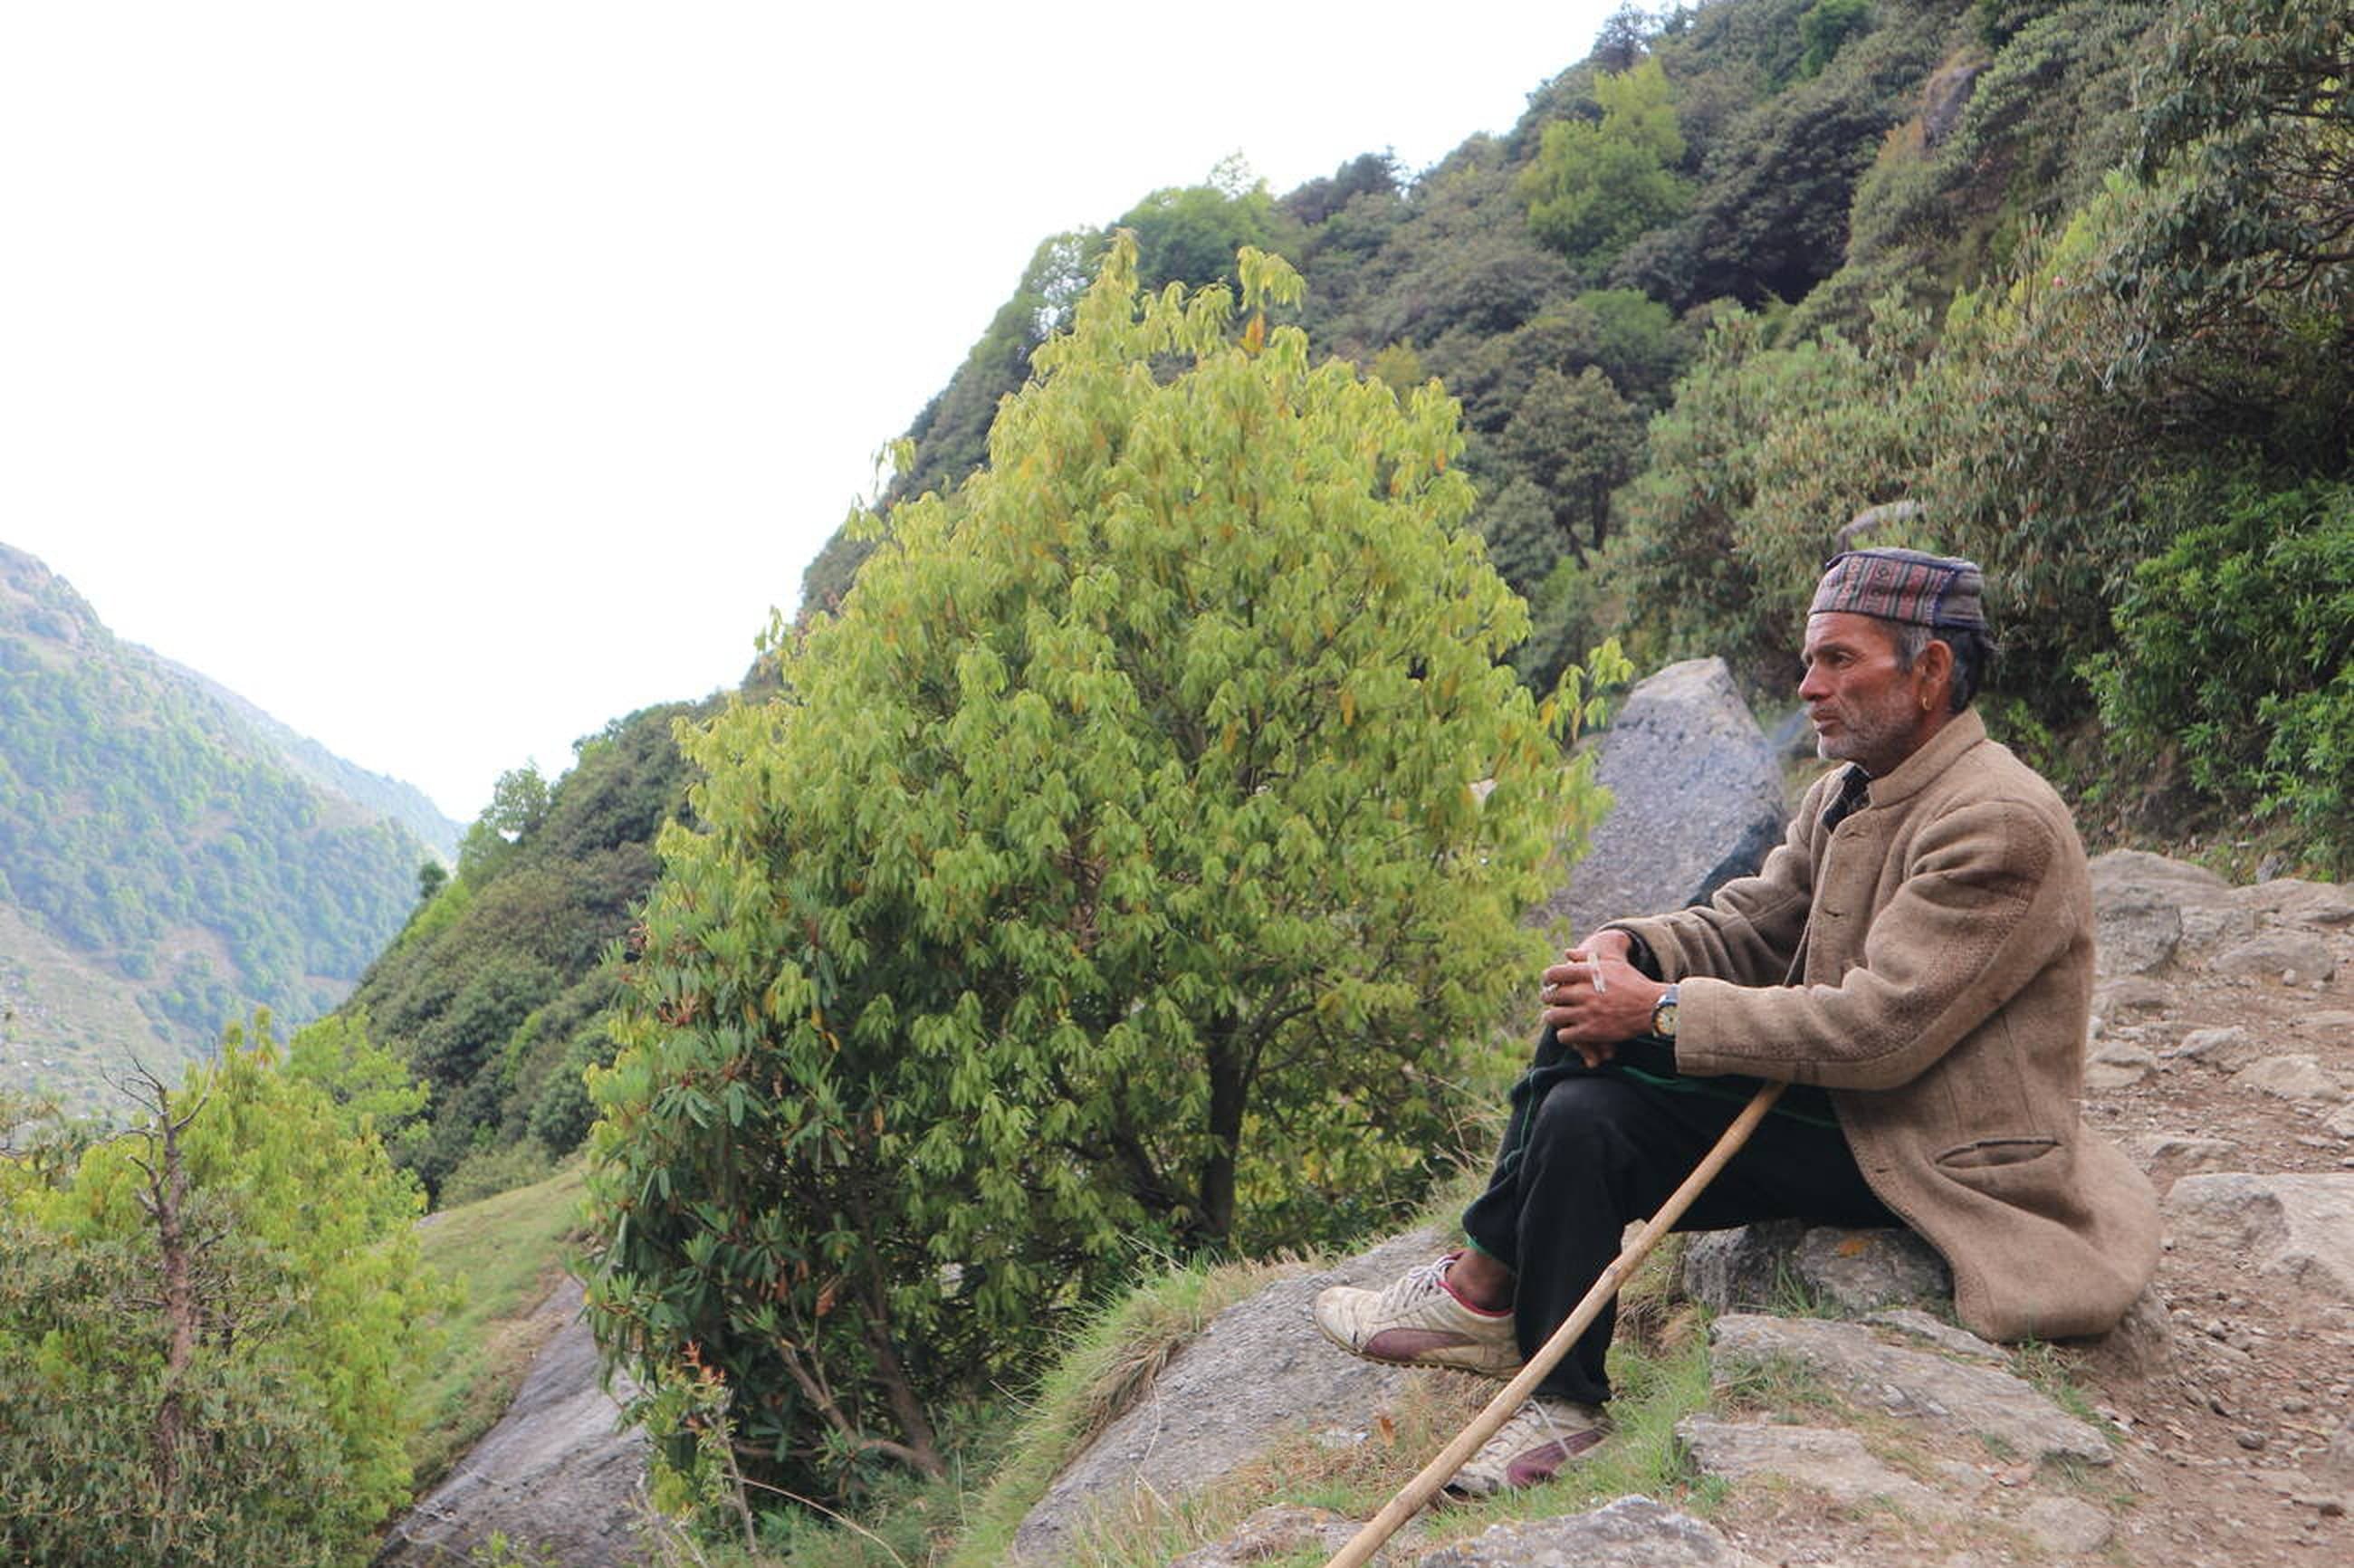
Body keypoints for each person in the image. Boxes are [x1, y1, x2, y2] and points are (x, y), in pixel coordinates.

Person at [1314, 547, 2160, 1497]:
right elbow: (1754, 923)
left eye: (1840, 659)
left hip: (1931, 1143)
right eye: (1810, 660)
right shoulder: (1846, 789)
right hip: (1853, 1110)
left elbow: (1879, 1033)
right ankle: (1527, 1353)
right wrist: (1630, 949)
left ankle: (1498, 1318)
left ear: (1927, 673)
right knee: (1581, 1073)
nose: (1808, 684)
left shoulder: (1998, 822)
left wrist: (1659, 1010)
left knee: (1593, 1083)